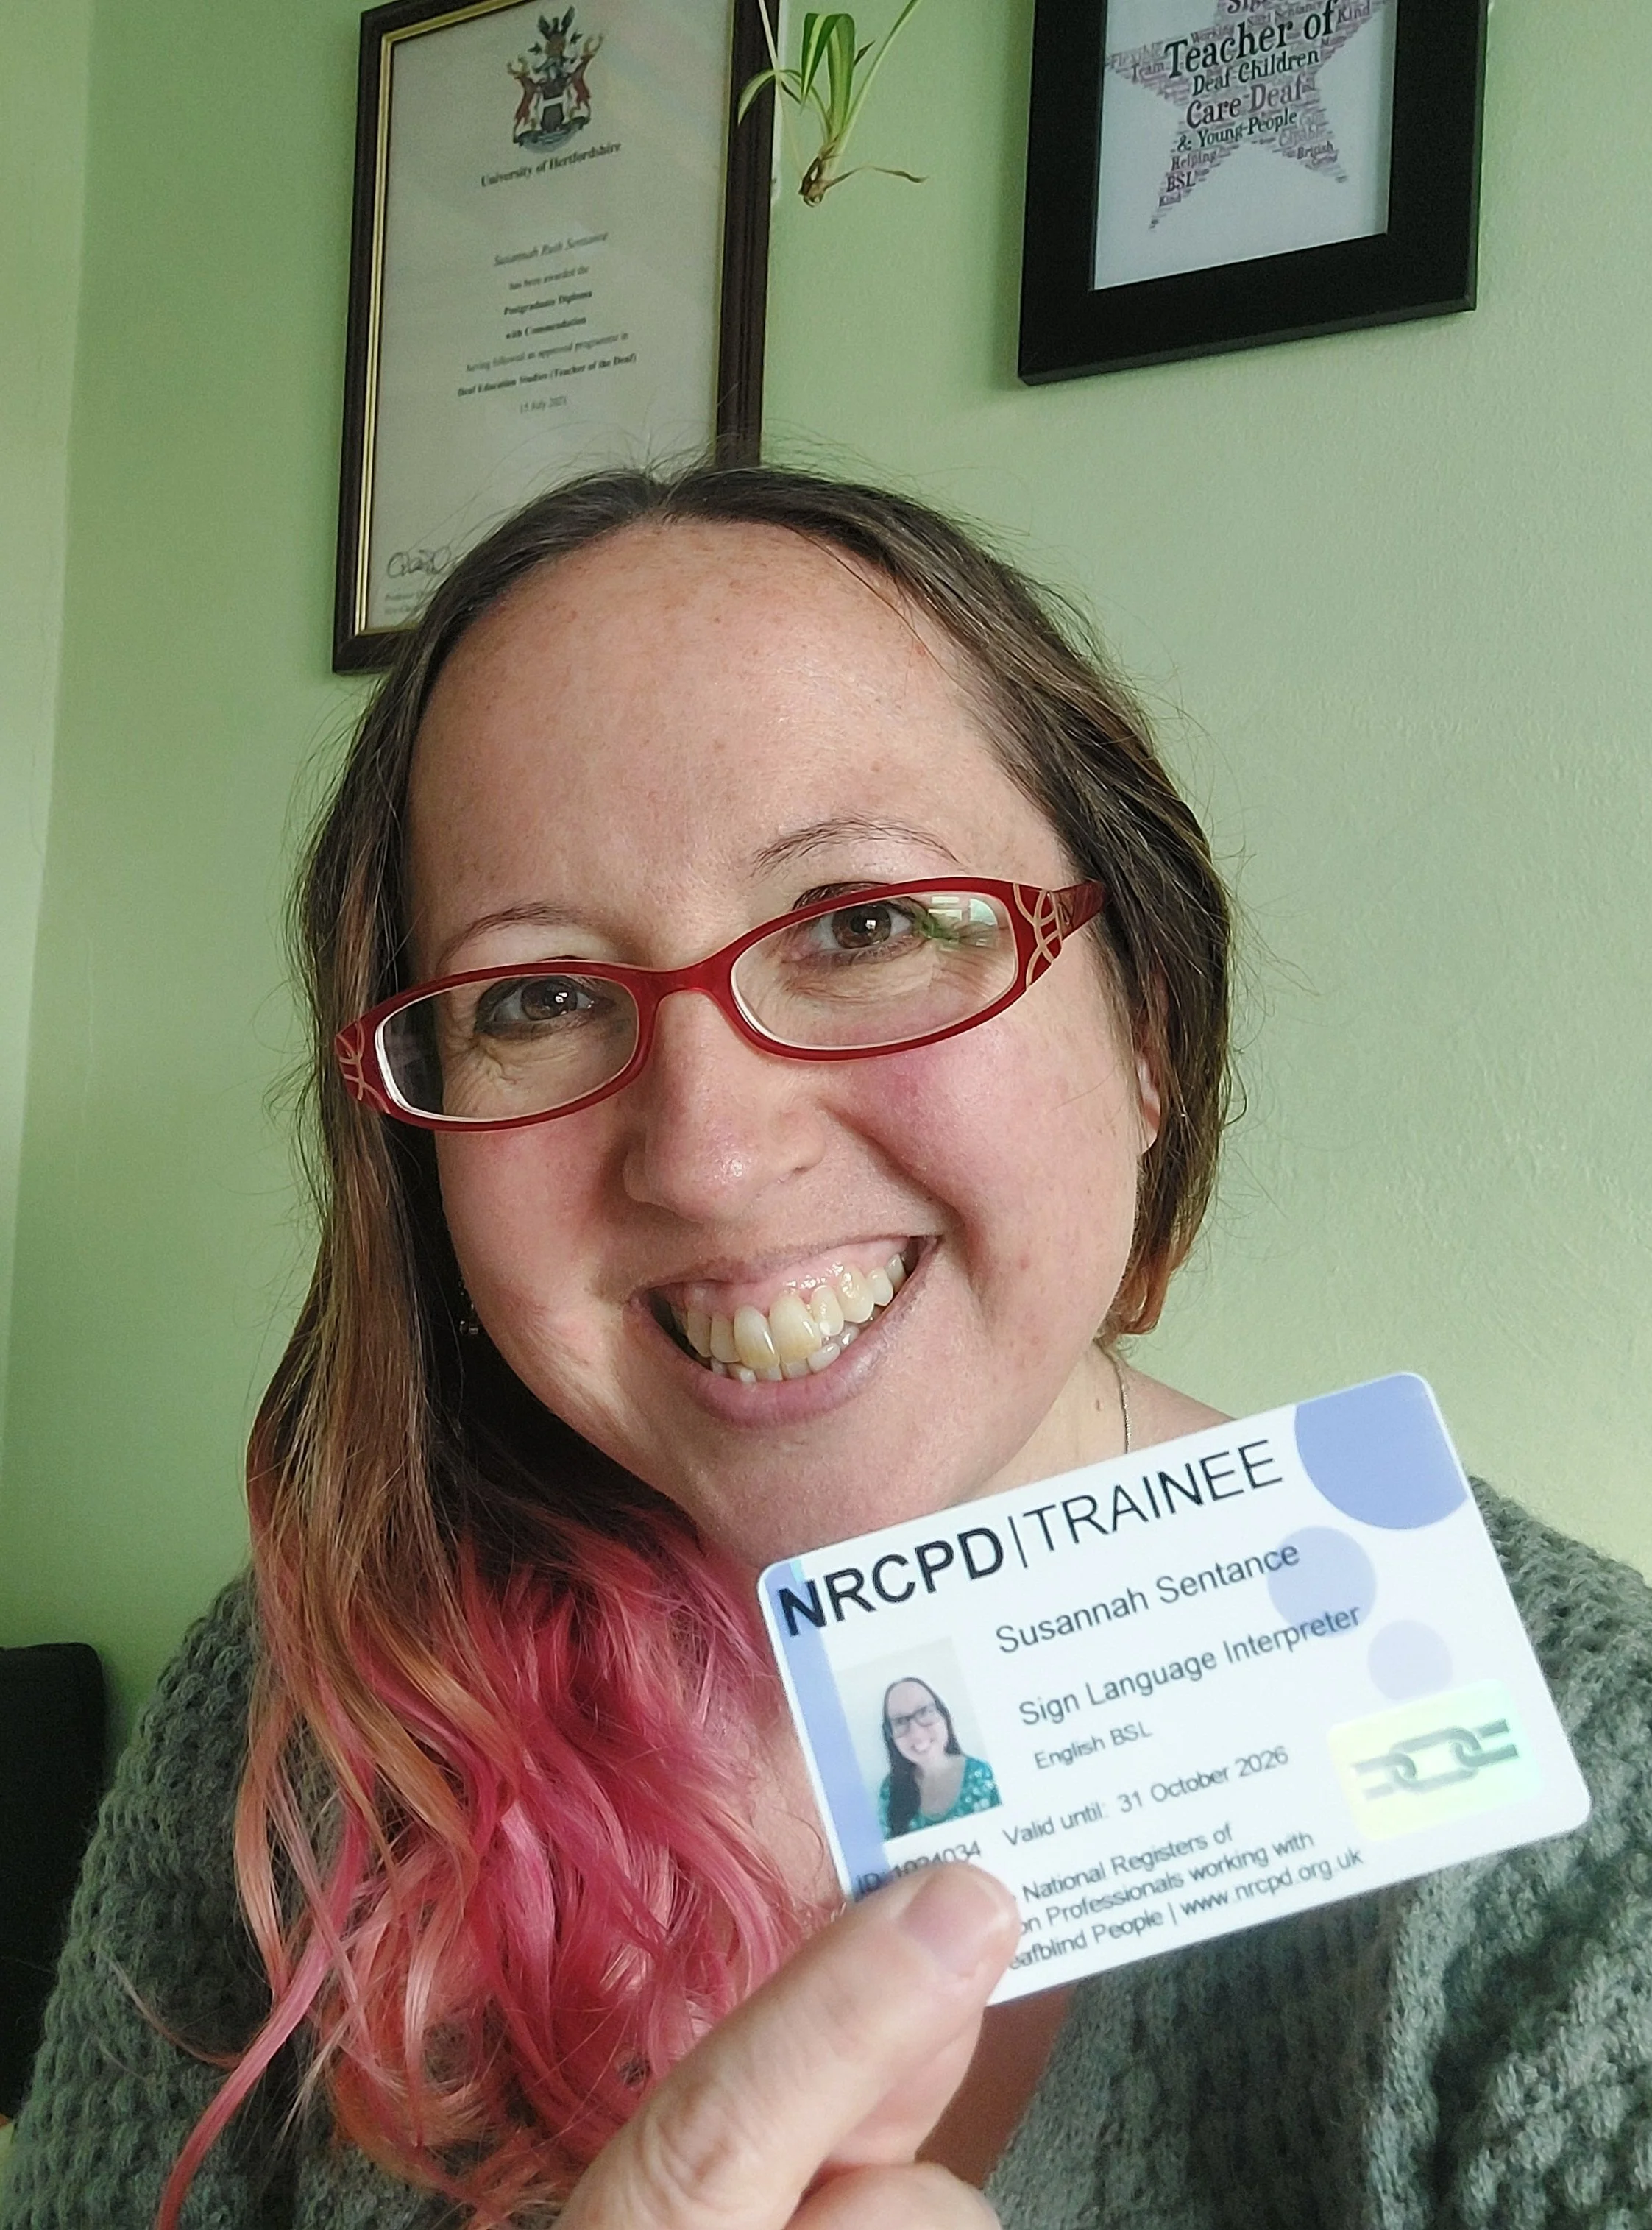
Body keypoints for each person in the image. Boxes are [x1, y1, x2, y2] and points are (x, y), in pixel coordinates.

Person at [5, 463, 1652, 2230]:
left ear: (1144, 1026)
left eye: (862, 925)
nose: (710, 1154)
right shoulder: (305, 1716)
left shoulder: (1596, 1806)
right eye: (537, 997)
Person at [879, 1679, 1001, 1838]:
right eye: (900, 1722)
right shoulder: (890, 1791)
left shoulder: (985, 1776)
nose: (916, 1733)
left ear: (944, 1716)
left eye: (924, 1712)